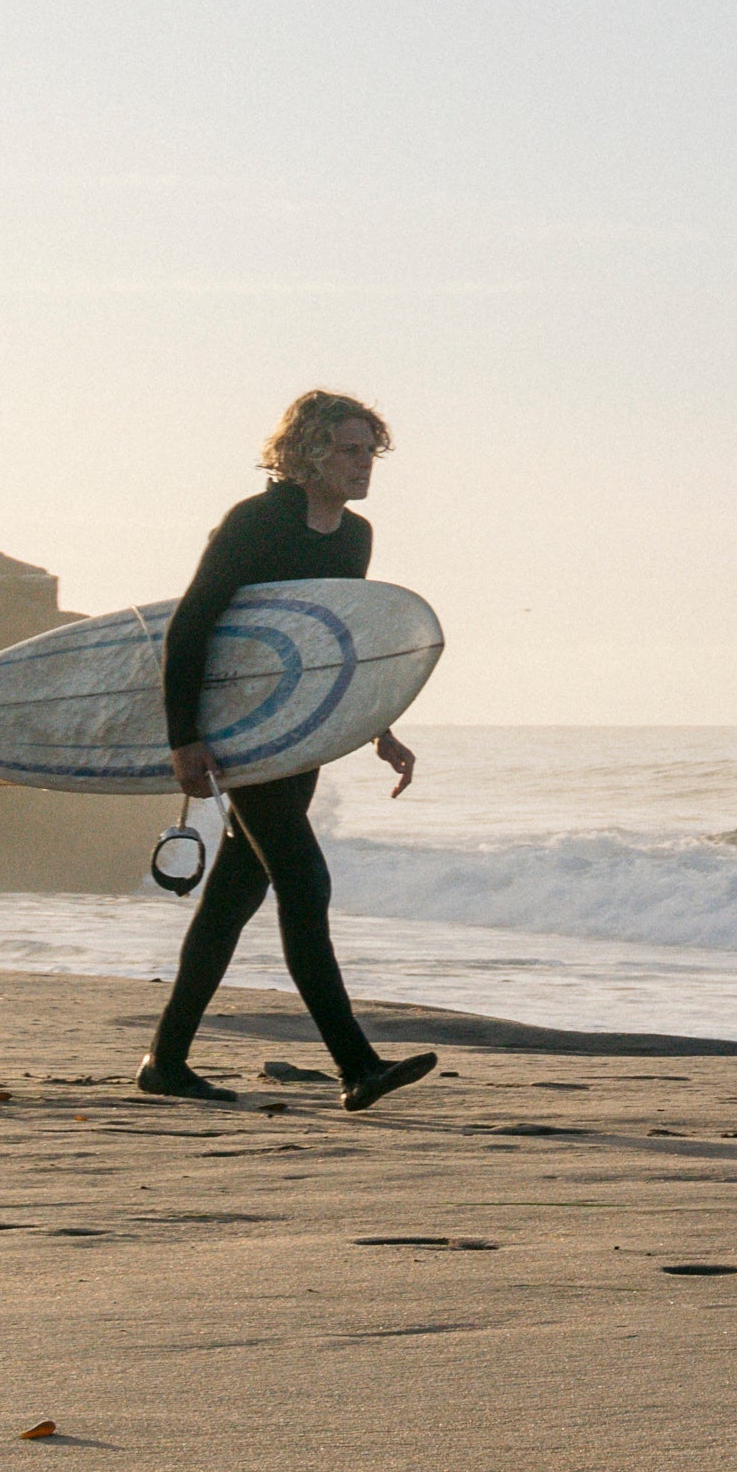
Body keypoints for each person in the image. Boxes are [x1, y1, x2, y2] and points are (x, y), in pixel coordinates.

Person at [137, 391, 436, 1110]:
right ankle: (355, 1064)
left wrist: (378, 725)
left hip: (296, 739)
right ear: (307, 453)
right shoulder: (255, 523)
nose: (365, 464)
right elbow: (191, 627)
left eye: (370, 450)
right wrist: (185, 737)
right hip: (237, 731)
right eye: (349, 449)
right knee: (305, 883)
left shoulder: (353, 536)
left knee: (232, 901)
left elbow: (341, 649)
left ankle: (165, 1061)